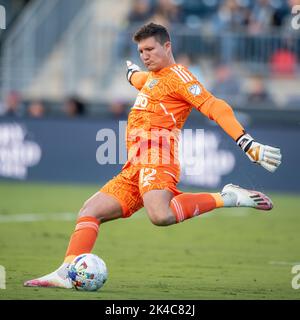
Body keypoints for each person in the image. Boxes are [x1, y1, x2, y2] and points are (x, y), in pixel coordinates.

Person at [24, 23, 282, 289]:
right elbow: (141, 80)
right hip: (134, 166)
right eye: (140, 51)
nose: (145, 55)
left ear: (167, 46)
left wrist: (246, 142)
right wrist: (131, 74)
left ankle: (228, 197)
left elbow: (215, 106)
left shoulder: (179, 76)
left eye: (150, 49)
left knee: (160, 215)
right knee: (90, 210)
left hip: (158, 157)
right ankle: (67, 272)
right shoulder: (151, 77)